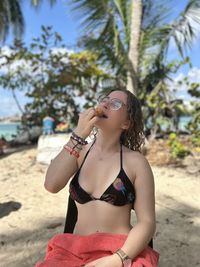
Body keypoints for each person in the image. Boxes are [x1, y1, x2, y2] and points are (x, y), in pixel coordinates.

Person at [35, 89, 159, 267]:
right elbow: (51, 185)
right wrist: (78, 135)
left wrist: (118, 259)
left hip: (120, 249)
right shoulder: (78, 152)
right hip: (73, 251)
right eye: (104, 99)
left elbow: (147, 222)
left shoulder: (136, 163)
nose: (106, 103)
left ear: (126, 123)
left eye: (116, 104)